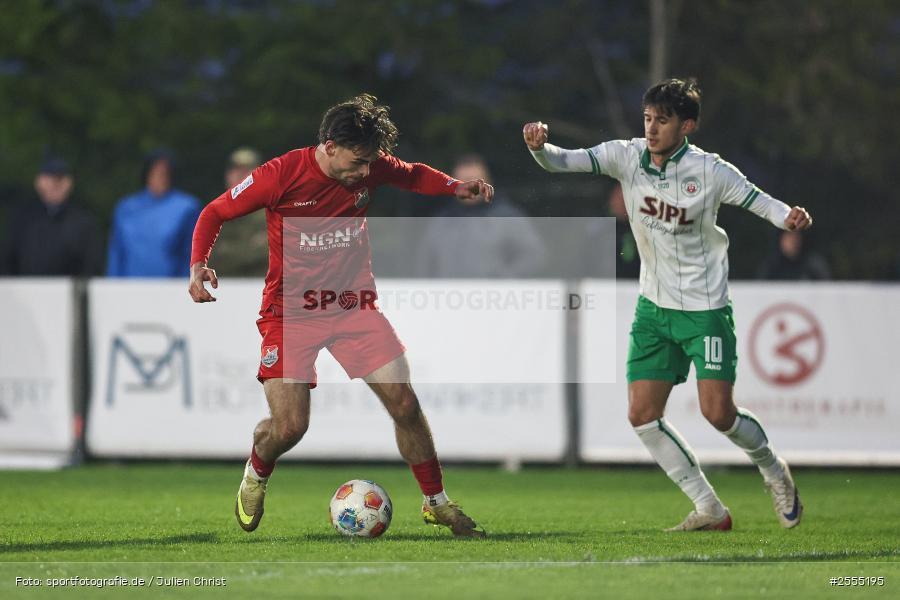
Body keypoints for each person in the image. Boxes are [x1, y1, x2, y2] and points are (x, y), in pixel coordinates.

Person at [188, 94, 492, 537]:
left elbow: (411, 175)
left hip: (352, 307)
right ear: (330, 146)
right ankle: (257, 467)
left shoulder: (368, 164)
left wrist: (452, 187)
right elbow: (214, 212)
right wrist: (198, 264)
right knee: (290, 427)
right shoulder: (280, 175)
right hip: (290, 313)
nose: (366, 172)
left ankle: (436, 502)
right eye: (358, 162)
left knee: (404, 402)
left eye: (370, 162)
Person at [524, 78, 812, 531]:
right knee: (642, 415)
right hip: (653, 309)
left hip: (705, 310)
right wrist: (541, 148)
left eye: (663, 120)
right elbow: (565, 162)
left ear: (687, 125)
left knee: (719, 413)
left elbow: (759, 201)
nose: (652, 128)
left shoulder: (710, 171)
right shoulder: (627, 155)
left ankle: (774, 470)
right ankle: (710, 509)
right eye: (648, 118)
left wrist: (788, 216)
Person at [415, 154, 545, 277]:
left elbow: (534, 256)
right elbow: (424, 264)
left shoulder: (507, 217)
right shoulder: (441, 221)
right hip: (449, 298)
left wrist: (504, 282)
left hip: (494, 298)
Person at [0, 157, 103, 276]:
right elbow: (6, 261)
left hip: (68, 292)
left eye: (60, 179)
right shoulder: (20, 220)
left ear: (69, 183)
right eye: (49, 179)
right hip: (26, 291)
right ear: (38, 182)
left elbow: (92, 266)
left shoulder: (84, 223)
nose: (55, 184)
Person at [107, 150, 200, 277]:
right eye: (155, 172)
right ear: (146, 174)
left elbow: (191, 253)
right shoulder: (126, 208)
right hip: (130, 288)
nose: (160, 177)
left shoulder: (187, 207)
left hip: (169, 288)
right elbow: (117, 253)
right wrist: (112, 288)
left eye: (165, 173)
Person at [208, 147, 269, 276]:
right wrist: (255, 249)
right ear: (228, 175)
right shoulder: (214, 214)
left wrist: (230, 251)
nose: (242, 175)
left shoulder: (274, 212)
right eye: (236, 170)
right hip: (223, 289)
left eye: (248, 170)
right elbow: (210, 259)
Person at [757, 230, 830, 280]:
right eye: (789, 237)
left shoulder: (813, 265)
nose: (793, 241)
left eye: (796, 237)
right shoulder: (771, 265)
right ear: (781, 240)